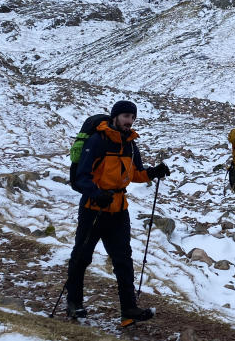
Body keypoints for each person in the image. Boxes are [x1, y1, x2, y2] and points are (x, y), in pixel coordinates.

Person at [66, 100, 171, 326]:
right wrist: (95, 193)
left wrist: (154, 172)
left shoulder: (130, 145)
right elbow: (80, 178)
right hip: (93, 209)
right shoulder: (97, 141)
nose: (129, 121)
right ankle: (74, 303)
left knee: (123, 260)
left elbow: (137, 174)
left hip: (119, 209)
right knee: (82, 257)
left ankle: (128, 310)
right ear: (115, 116)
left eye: (132, 117)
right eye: (125, 116)